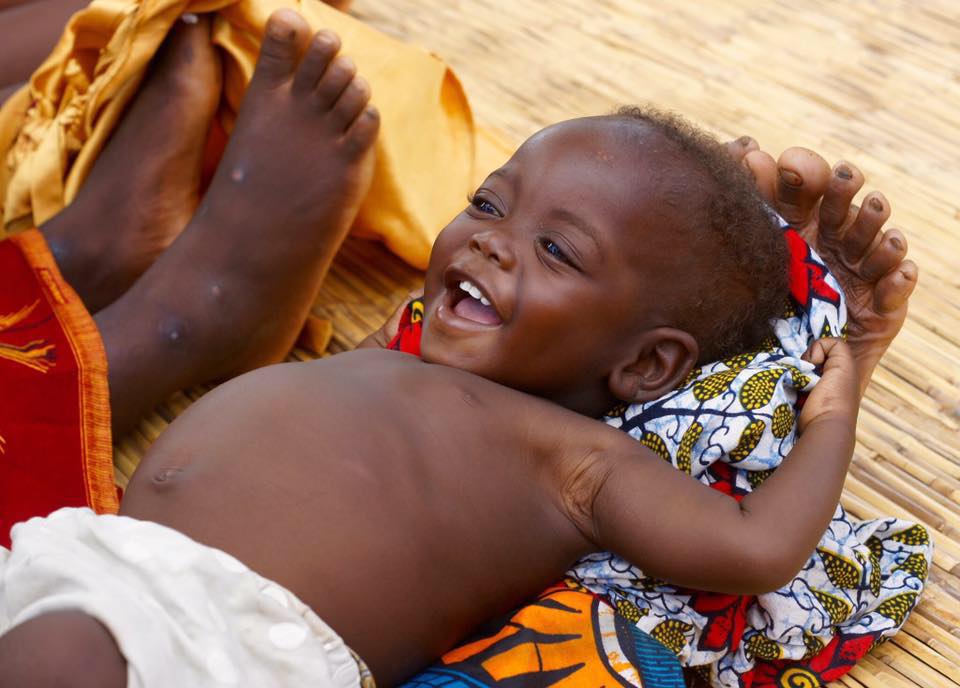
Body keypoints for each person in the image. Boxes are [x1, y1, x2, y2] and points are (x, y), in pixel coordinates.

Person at [0, 10, 919, 688]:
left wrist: (831, 416)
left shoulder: (573, 462)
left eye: (557, 249)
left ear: (644, 369)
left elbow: (753, 551)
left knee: (55, 658)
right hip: (92, 564)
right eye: (487, 203)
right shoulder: (407, 357)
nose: (488, 240)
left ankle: (791, 335)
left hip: (217, 645)